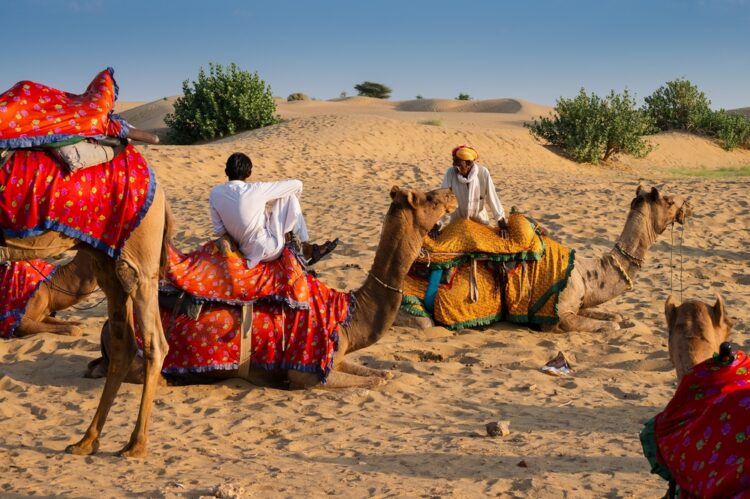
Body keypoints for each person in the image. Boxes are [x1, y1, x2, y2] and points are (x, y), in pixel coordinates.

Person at [209, 152, 337, 268]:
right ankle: (304, 246)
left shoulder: (215, 193)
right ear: (249, 173)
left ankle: (303, 245)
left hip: (245, 252)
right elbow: (298, 184)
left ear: (226, 171)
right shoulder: (255, 189)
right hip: (270, 249)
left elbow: (219, 230)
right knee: (289, 194)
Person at [436, 145, 508, 236]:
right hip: (457, 223)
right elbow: (443, 199)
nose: (453, 165)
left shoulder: (483, 173)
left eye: (457, 162)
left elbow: (492, 198)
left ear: (469, 163)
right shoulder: (451, 172)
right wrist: (437, 224)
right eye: (453, 161)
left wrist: (502, 225)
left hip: (480, 222)